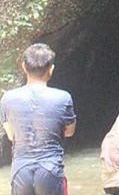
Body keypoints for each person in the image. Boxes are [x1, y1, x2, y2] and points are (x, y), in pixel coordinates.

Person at [0, 43, 76, 195]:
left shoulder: (7, 98)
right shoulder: (63, 97)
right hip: (50, 168)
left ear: (24, 66)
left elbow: (11, 135)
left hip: (21, 169)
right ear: (51, 69)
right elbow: (69, 132)